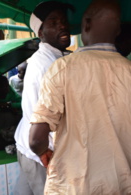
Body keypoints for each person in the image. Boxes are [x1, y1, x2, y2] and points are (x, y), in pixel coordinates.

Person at [29, 0, 131, 194]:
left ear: (86, 25)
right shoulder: (129, 70)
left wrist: (43, 152)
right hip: (122, 183)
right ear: (117, 32)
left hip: (74, 184)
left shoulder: (62, 68)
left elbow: (36, 140)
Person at [14, 1, 74, 194]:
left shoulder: (58, 59)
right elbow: (35, 113)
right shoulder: (43, 65)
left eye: (63, 21)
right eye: (53, 22)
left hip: (29, 147)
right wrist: (45, 151)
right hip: (41, 153)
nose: (62, 25)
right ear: (40, 32)